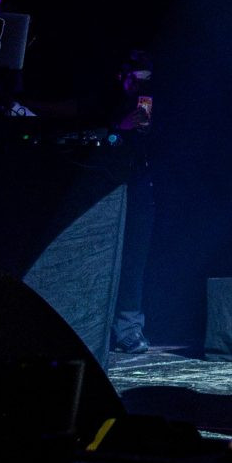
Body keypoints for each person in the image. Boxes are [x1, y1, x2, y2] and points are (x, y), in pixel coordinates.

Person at [108, 48, 157, 356]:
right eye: (135, 80)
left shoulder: (150, 104)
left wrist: (146, 133)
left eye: (145, 80)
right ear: (122, 77)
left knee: (134, 259)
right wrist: (119, 129)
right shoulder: (108, 103)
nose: (140, 86)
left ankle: (128, 328)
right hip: (105, 185)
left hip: (139, 184)